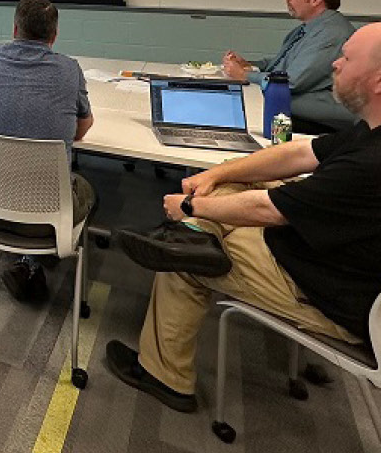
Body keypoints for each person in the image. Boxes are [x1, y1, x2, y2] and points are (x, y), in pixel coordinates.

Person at [107, 23, 381, 413]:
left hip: (327, 295)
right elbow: (299, 155)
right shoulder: (369, 132)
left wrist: (190, 207)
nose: (335, 64)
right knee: (232, 188)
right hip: (325, 261)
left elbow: (271, 210)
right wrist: (219, 172)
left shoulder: (370, 163)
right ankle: (197, 236)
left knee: (179, 258)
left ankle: (163, 376)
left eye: (347, 57)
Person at [0, 0, 95, 303]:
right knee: (89, 189)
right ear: (54, 36)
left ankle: (27, 260)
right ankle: (44, 257)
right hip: (45, 215)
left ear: (14, 30)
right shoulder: (69, 71)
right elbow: (81, 128)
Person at [222, 0, 358, 133]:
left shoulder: (332, 33)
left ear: (316, 0)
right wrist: (249, 65)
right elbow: (282, 63)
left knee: (243, 119)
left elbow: (291, 82)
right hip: (294, 109)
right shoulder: (308, 28)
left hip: (317, 119)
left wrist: (245, 75)